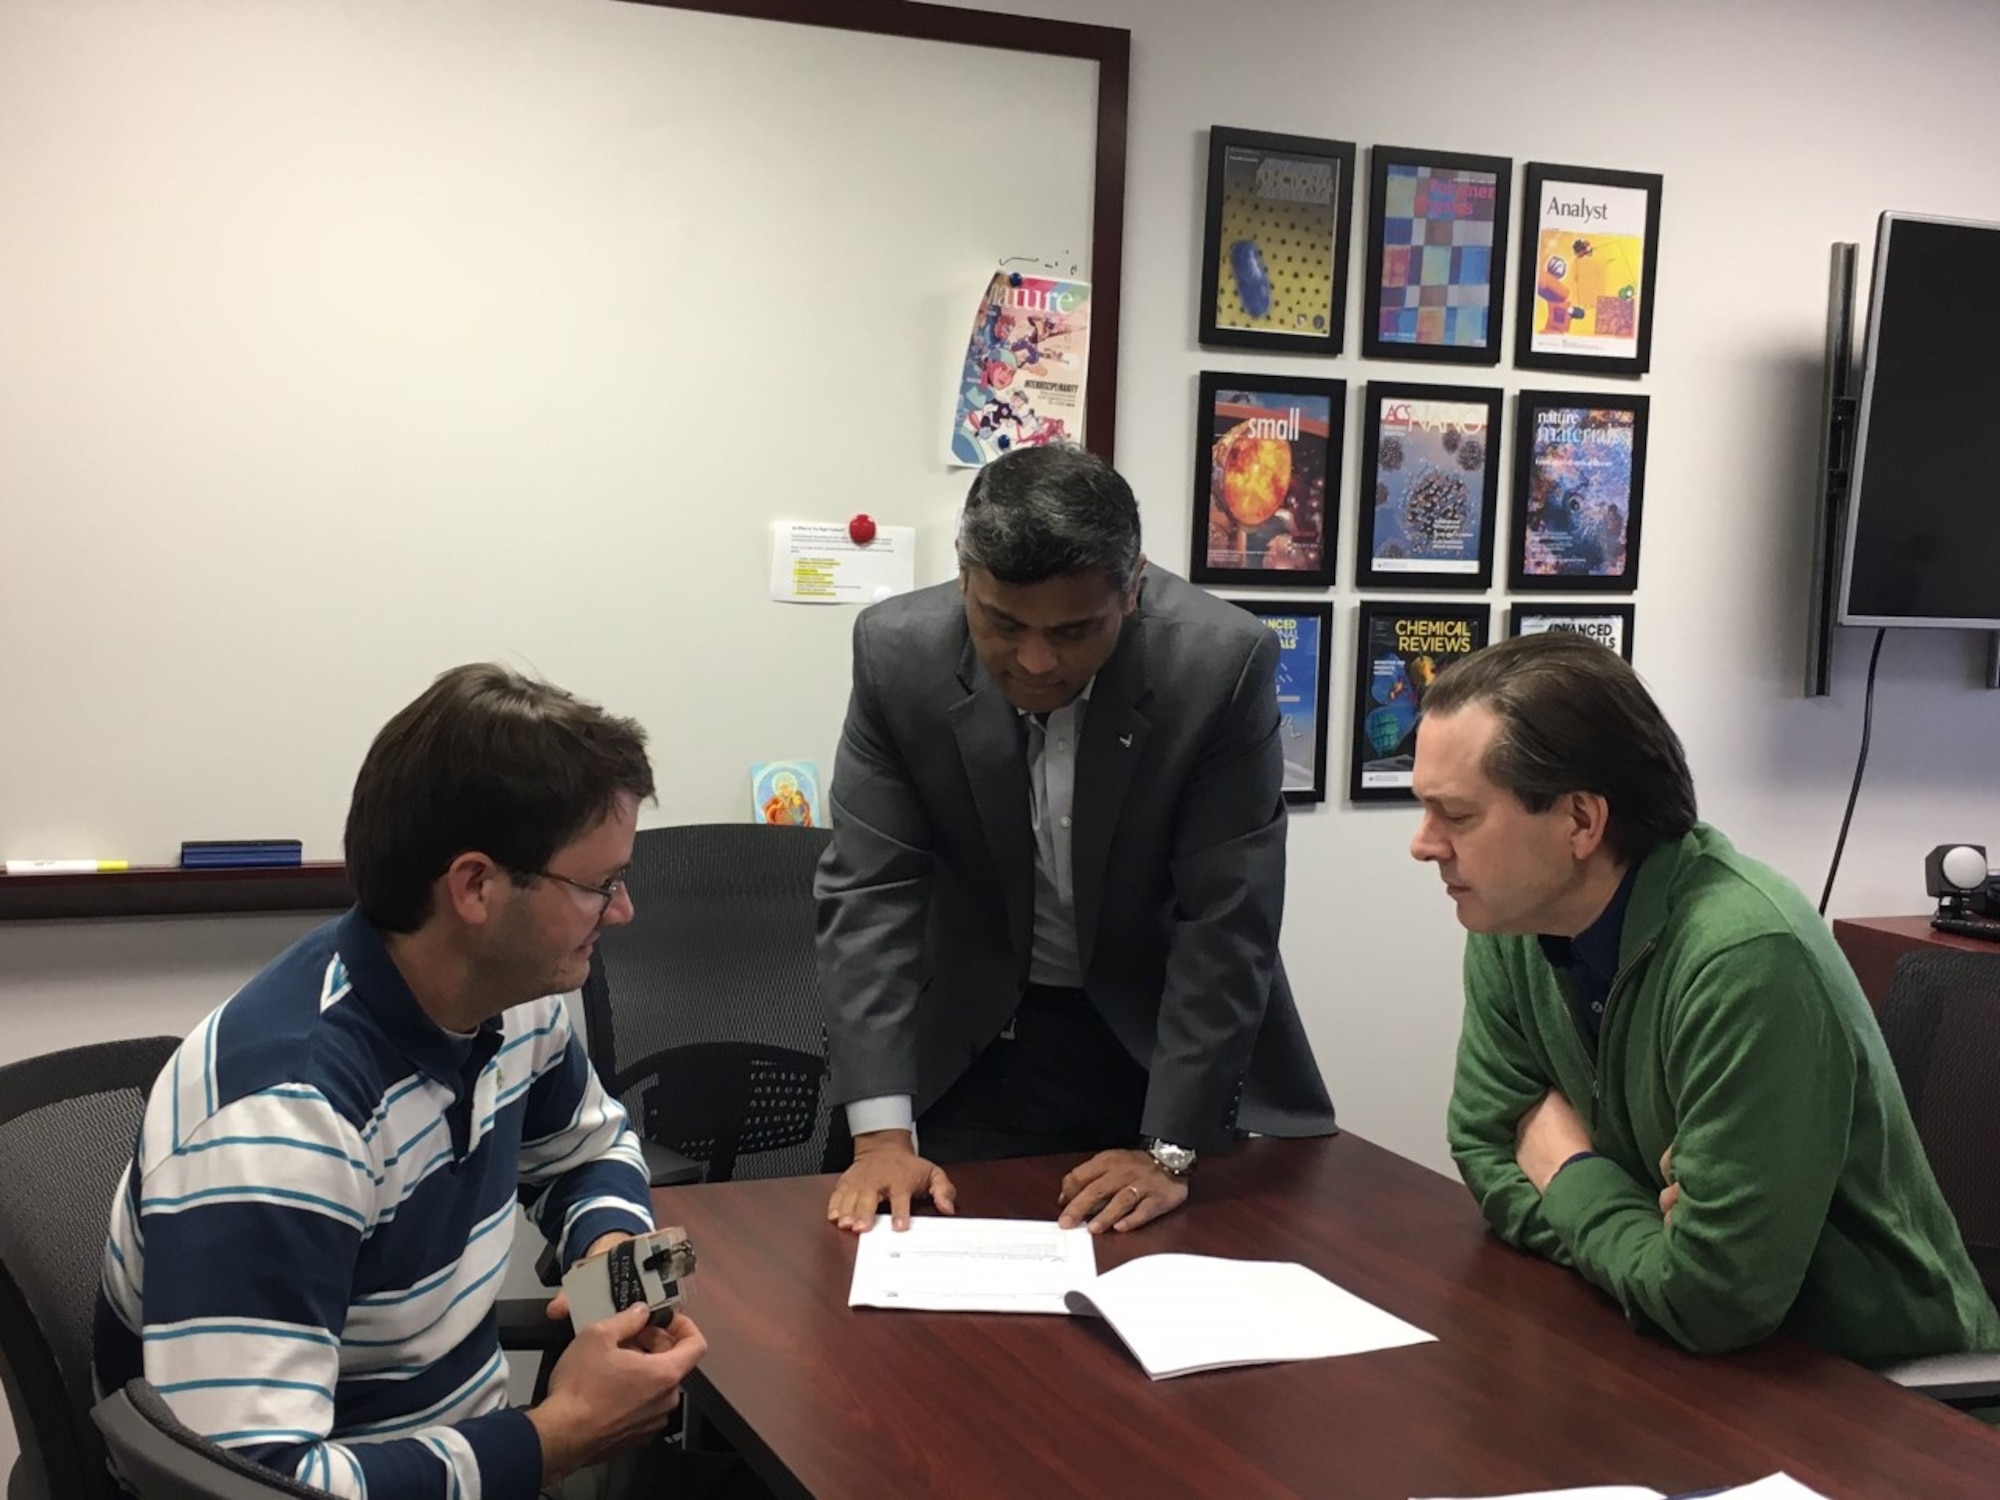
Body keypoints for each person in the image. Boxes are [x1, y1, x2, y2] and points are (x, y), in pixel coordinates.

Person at [95, 665, 759, 1500]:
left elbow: (592, 1144)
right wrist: (556, 1437)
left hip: (464, 1452)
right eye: (599, 886)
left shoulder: (511, 1001)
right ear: (476, 886)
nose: (621, 913)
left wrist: (610, 1251)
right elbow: (251, 1486)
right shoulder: (285, 1126)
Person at [1412, 632, 2000, 1365]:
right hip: (1673, 1356)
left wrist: (1568, 1170)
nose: (1424, 843)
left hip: (1869, 1388)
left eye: (1457, 816)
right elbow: (1484, 1144)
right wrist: (1643, 1246)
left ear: (1581, 822)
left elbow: (1713, 1299)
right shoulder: (1511, 922)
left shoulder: (1745, 956)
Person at [816, 444, 1335, 1238]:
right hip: (969, 1038)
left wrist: (1167, 1149)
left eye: (1073, 631)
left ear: (1133, 591)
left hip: (1158, 1045)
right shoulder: (898, 655)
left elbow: (1227, 917)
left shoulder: (1218, 665)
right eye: (1002, 624)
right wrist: (883, 1137)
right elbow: (871, 894)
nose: (1035, 661)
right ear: (963, 579)